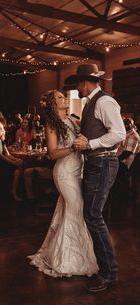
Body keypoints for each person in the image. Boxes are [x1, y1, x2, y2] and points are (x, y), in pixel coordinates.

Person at [65, 63, 126, 292]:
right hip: (95, 162)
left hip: (103, 162)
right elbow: (99, 129)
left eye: (79, 83)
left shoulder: (104, 101)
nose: (78, 87)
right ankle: (106, 270)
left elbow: (119, 134)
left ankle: (109, 274)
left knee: (93, 216)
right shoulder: (91, 102)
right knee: (91, 215)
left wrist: (89, 143)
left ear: (86, 82)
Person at [28, 89, 98, 277]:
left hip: (78, 171)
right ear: (52, 104)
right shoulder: (51, 124)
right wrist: (74, 147)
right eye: (59, 97)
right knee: (77, 209)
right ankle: (67, 259)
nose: (64, 98)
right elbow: (52, 153)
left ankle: (75, 254)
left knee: (70, 212)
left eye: (63, 96)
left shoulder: (71, 121)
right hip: (65, 173)